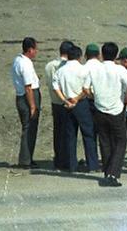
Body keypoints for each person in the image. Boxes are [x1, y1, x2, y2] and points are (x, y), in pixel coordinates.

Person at [89, 42, 127, 187]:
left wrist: (96, 97)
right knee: (121, 141)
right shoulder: (119, 69)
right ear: (115, 55)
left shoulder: (95, 69)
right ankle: (113, 173)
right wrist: (126, 98)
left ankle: (108, 172)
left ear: (102, 54)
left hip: (100, 108)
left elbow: (85, 88)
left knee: (104, 141)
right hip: (116, 108)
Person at [52, 45, 99, 173]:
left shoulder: (60, 71)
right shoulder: (83, 70)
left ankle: (72, 165)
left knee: (70, 135)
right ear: (79, 56)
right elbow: (86, 89)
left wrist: (65, 100)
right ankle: (93, 165)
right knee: (88, 134)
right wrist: (77, 99)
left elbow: (56, 87)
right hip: (81, 104)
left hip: (67, 104)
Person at [11, 37, 41, 168]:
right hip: (27, 97)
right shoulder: (26, 64)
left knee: (28, 128)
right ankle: (25, 160)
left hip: (21, 96)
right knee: (29, 128)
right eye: (35, 49)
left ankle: (27, 158)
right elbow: (28, 87)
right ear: (30, 50)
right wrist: (33, 106)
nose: (36, 52)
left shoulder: (17, 60)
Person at [45, 41, 71, 170]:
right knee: (68, 132)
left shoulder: (49, 66)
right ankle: (67, 159)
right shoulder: (66, 66)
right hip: (66, 101)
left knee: (57, 131)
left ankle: (58, 158)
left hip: (54, 102)